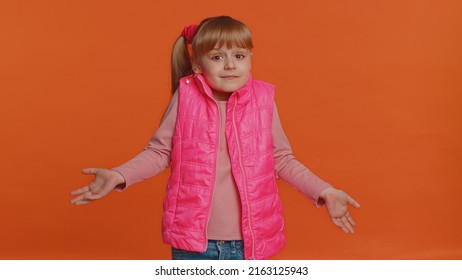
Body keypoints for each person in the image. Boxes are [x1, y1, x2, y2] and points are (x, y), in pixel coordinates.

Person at [70, 15, 360, 260]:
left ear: (250, 59)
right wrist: (119, 175)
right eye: (218, 57)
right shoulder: (186, 98)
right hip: (195, 244)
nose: (230, 65)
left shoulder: (263, 100)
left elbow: (281, 160)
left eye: (239, 56)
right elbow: (159, 153)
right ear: (198, 64)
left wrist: (325, 191)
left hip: (252, 243)